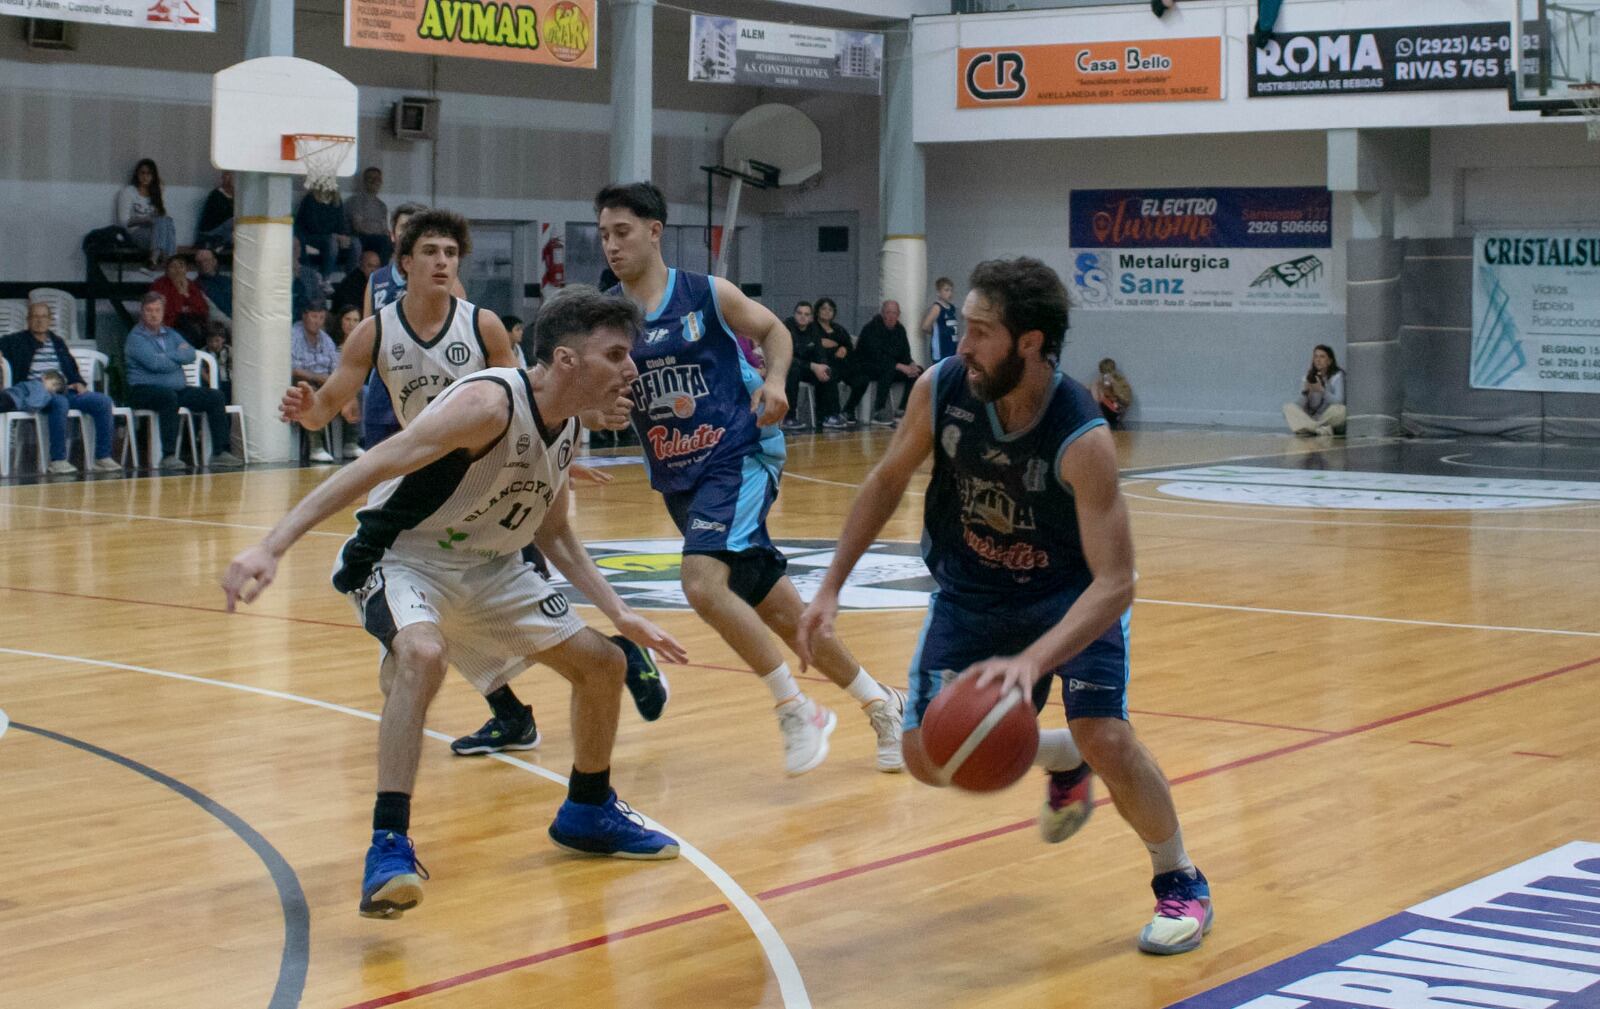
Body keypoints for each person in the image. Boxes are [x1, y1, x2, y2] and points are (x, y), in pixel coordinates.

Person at [220, 285, 685, 919]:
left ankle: (587, 810)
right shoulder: (488, 403)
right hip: (403, 557)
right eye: (616, 354)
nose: (630, 368)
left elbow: (551, 531)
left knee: (603, 664)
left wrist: (619, 612)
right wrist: (271, 546)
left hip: (490, 568)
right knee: (423, 653)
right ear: (569, 361)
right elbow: (373, 465)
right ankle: (388, 846)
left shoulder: (569, 425)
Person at [797, 257, 1212, 957]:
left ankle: (1181, 879)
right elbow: (888, 476)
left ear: (1030, 342)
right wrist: (830, 585)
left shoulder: (1082, 436)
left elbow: (1115, 583)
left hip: (1071, 597)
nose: (963, 344)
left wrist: (1031, 661)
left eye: (981, 332)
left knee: (1106, 733)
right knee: (928, 757)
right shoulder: (943, 388)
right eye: (965, 327)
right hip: (975, 592)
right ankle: (1062, 757)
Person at [596, 181, 906, 775]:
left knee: (701, 583)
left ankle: (796, 709)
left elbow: (776, 332)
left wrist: (777, 381)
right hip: (679, 474)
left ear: (654, 231)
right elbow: (592, 395)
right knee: (784, 614)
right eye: (605, 235)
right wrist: (597, 411)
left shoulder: (705, 293)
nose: (611, 245)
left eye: (623, 232)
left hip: (741, 452)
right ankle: (881, 702)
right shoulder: (608, 316)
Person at [282, 209, 619, 752]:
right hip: (429, 489)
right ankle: (523, 706)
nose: (443, 262)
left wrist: (556, 458)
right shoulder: (375, 331)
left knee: (491, 605)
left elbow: (533, 398)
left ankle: (620, 660)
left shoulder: (481, 324)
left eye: (451, 253)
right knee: (443, 616)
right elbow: (325, 410)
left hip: (496, 481)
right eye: (432, 252)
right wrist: (305, 409)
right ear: (405, 262)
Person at [125, 292, 244, 470]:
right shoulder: (136, 338)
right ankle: (168, 455)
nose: (154, 314)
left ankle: (220, 452)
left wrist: (168, 356)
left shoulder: (171, 333)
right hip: (143, 390)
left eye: (157, 310)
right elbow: (155, 364)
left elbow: (190, 354)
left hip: (176, 389)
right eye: (149, 310)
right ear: (142, 312)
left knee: (215, 397)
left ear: (163, 311)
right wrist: (176, 356)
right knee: (168, 398)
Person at [1, 302, 121, 474]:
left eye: (44, 317)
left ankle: (103, 457)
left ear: (50, 320)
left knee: (102, 401)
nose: (40, 320)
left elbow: (71, 367)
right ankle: (58, 460)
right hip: (38, 393)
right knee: (60, 403)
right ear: (28, 320)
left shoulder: (57, 342)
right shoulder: (16, 340)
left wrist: (79, 381)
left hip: (64, 389)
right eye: (35, 316)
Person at [290, 300, 360, 462]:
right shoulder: (294, 335)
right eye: (314, 317)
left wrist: (339, 384)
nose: (317, 322)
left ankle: (350, 442)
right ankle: (316, 446)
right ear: (304, 316)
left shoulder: (325, 339)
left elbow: (337, 367)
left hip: (326, 380)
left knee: (353, 389)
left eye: (321, 318)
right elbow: (293, 369)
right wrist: (318, 378)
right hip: (302, 381)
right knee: (309, 392)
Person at [847, 300, 923, 426]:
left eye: (895, 313)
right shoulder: (871, 328)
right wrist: (899, 366)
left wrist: (911, 364)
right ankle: (879, 411)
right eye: (888, 312)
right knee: (888, 369)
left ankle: (902, 409)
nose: (891, 316)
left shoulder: (900, 330)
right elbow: (875, 355)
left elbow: (905, 353)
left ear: (899, 314)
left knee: (918, 372)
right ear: (882, 313)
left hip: (891, 366)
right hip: (866, 365)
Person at [781, 301, 847, 432]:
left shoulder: (814, 330)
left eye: (806, 314)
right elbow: (788, 357)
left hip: (808, 368)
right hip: (788, 367)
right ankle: (789, 417)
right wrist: (813, 366)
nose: (802, 317)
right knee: (793, 371)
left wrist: (822, 366)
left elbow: (820, 352)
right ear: (794, 314)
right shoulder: (786, 328)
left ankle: (829, 415)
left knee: (827, 370)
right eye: (799, 313)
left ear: (811, 317)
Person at [117, 158, 176, 268]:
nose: (145, 177)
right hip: (135, 231)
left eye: (149, 174)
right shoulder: (128, 192)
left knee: (167, 221)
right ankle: (168, 260)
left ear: (153, 176)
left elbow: (162, 218)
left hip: (155, 233)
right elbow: (123, 222)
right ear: (137, 174)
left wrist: (157, 219)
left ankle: (154, 260)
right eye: (142, 173)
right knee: (163, 224)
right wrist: (146, 220)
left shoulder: (155, 194)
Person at [1283, 344, 1346, 437]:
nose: (1318, 360)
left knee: (1342, 410)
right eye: (1315, 356)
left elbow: (1339, 401)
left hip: (1327, 417)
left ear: (1329, 361)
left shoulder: (1336, 376)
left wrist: (1322, 391)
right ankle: (1319, 430)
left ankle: (1309, 429)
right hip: (1311, 417)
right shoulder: (1308, 377)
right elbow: (1299, 406)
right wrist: (1305, 392)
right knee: (1287, 407)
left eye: (1322, 357)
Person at [149, 254, 211, 347]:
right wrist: (180, 294)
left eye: (181, 266)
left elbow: (203, 310)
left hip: (192, 324)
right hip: (168, 324)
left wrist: (186, 294)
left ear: (186, 270)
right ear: (167, 270)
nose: (177, 270)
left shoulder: (191, 285)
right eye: (173, 266)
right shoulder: (159, 285)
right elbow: (163, 311)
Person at [295, 187, 354, 279]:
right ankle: (325, 279)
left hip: (332, 237)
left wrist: (343, 236)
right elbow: (312, 226)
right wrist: (334, 236)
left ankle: (351, 278)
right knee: (332, 242)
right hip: (311, 237)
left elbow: (341, 223)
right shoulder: (310, 199)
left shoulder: (336, 200)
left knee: (355, 243)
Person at [345, 167, 392, 262]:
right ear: (364, 181)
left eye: (377, 179)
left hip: (378, 238)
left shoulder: (381, 205)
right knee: (384, 241)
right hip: (361, 237)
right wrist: (376, 233)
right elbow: (357, 226)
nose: (374, 181)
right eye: (371, 178)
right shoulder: (356, 201)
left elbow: (384, 228)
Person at [920, 277, 960, 362]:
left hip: (952, 346)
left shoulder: (952, 308)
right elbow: (925, 326)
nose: (950, 293)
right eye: (946, 290)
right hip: (941, 348)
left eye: (951, 290)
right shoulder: (937, 307)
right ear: (938, 292)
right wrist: (937, 332)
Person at [333, 250, 381, 314]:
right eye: (370, 266)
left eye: (376, 267)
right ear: (361, 266)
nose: (373, 270)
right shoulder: (350, 284)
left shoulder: (381, 282)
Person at [196, 171, 234, 251]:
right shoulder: (215, 195)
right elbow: (222, 215)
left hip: (223, 231)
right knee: (234, 221)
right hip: (211, 230)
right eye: (228, 176)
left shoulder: (235, 196)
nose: (231, 180)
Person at [194, 248, 232, 320]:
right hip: (221, 323)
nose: (203, 264)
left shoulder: (229, 280)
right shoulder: (195, 286)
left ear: (214, 261)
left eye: (206, 260)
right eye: (199, 262)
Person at [1094, 358, 1132, 428]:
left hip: (1117, 407)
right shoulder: (1100, 382)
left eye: (1108, 372)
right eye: (1103, 373)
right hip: (1106, 406)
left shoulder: (1121, 382)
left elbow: (1126, 400)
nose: (1105, 375)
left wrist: (1114, 384)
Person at [204, 323, 233, 404]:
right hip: (209, 383)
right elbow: (201, 371)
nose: (214, 344)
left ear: (223, 339)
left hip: (228, 382)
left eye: (217, 340)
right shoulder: (203, 353)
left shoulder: (230, 351)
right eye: (210, 341)